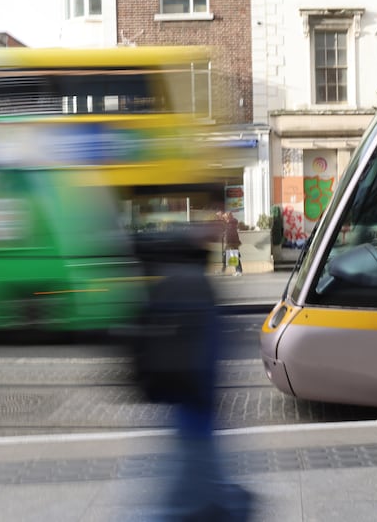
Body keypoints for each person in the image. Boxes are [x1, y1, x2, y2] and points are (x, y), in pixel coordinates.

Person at [130, 227, 253, 521]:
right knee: (192, 499)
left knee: (196, 495)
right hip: (197, 412)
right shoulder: (197, 288)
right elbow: (210, 353)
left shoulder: (171, 286)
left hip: (187, 411)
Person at [218, 211, 243, 276]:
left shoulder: (232, 223)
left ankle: (239, 271)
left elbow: (231, 234)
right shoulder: (229, 223)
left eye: (226, 217)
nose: (224, 218)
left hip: (232, 243)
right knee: (225, 256)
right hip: (229, 243)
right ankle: (223, 270)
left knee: (234, 256)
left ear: (228, 217)